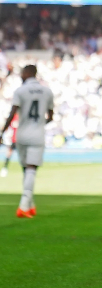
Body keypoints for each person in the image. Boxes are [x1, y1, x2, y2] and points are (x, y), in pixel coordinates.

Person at [0, 65, 54, 218]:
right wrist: (40, 124)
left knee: (26, 169)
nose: (21, 75)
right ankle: (26, 204)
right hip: (37, 134)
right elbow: (50, 116)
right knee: (31, 169)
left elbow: (12, 113)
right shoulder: (47, 91)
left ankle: (28, 205)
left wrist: (2, 132)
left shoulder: (20, 90)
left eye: (22, 72)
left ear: (28, 72)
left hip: (22, 134)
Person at [0, 113, 18, 178]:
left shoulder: (22, 117)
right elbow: (7, 125)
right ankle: (4, 168)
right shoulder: (13, 117)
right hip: (14, 139)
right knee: (9, 153)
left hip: (21, 140)